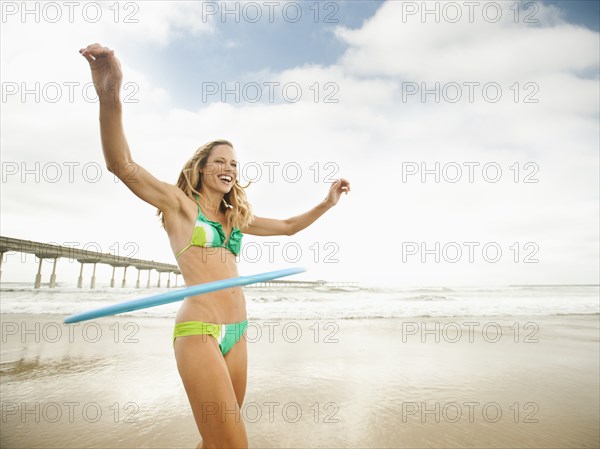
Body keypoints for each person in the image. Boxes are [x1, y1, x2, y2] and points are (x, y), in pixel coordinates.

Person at [80, 43, 351, 449]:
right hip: (200, 330)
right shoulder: (179, 207)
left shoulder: (234, 218)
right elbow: (122, 165)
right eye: (221, 161)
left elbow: (291, 226)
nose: (230, 168)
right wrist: (110, 93)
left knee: (215, 442)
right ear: (202, 167)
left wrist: (327, 204)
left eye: (235, 164)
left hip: (238, 331)